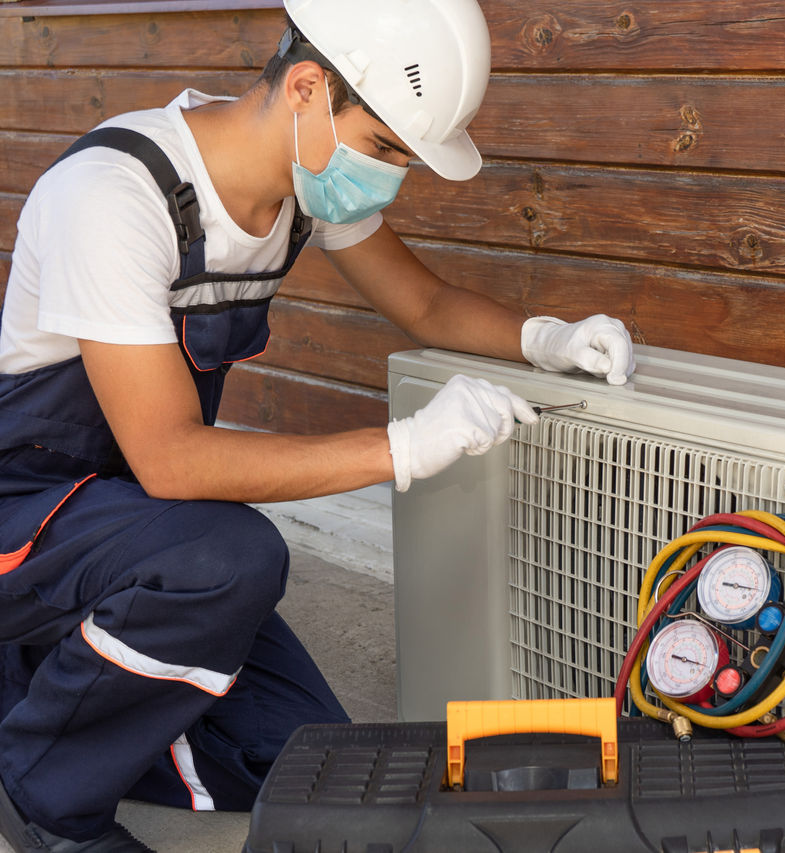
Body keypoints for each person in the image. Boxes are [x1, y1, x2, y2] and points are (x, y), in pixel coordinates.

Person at [0, 0, 634, 849]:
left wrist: (546, 339)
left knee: (316, 761)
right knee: (231, 559)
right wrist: (402, 447)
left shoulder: (304, 180)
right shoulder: (116, 194)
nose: (389, 178)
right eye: (382, 149)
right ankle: (46, 799)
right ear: (306, 86)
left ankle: (41, 678)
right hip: (32, 509)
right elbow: (173, 463)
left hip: (133, 529)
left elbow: (426, 301)